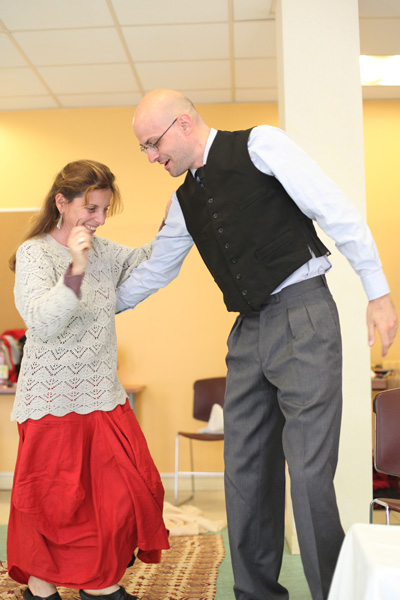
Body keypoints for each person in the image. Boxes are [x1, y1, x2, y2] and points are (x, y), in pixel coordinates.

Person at [115, 89, 398, 600]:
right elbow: (155, 270)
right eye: (144, 149)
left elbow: (333, 209)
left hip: (304, 314)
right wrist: (93, 308)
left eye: (153, 144)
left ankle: (334, 594)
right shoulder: (182, 203)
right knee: (244, 473)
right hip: (247, 331)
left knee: (308, 476)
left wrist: (377, 291)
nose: (152, 157)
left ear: (183, 124)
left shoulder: (260, 145)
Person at [7, 160, 171, 600]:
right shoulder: (36, 253)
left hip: (102, 394)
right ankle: (44, 587)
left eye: (104, 210)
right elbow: (43, 322)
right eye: (91, 209)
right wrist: (76, 266)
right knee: (54, 505)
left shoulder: (104, 251)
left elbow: (145, 260)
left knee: (128, 494)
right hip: (51, 401)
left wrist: (173, 222)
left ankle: (95, 582)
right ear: (62, 203)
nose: (99, 220)